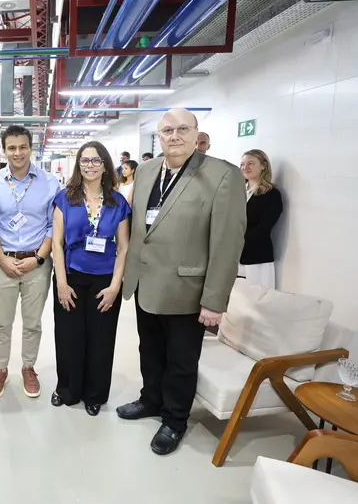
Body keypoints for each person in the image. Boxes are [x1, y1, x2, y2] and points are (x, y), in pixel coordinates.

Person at [116, 108, 246, 456]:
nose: (174, 136)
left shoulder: (223, 175)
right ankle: (151, 399)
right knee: (149, 350)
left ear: (196, 133)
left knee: (181, 361)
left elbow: (227, 243)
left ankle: (174, 420)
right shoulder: (146, 171)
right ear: (159, 136)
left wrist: (214, 300)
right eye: (167, 131)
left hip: (187, 289)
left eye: (183, 129)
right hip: (146, 283)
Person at [50, 142, 130, 417]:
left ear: (105, 165)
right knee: (69, 338)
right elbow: (57, 244)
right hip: (71, 277)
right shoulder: (65, 198)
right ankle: (67, 389)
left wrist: (115, 287)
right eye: (84, 160)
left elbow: (124, 248)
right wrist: (61, 283)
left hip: (104, 280)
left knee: (101, 340)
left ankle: (95, 394)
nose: (90, 165)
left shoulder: (118, 202)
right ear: (78, 165)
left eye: (96, 160)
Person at [0, 125, 59, 400]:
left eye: (23, 147)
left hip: (37, 264)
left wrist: (38, 258)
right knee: (1, 323)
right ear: (4, 150)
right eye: (12, 148)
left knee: (33, 322)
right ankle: (0, 369)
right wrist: (2, 259)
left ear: (31, 148)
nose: (18, 153)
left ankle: (28, 367)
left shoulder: (49, 183)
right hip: (3, 262)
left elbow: (53, 226)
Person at [239, 149, 282, 289]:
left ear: (263, 166)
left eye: (251, 163)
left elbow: (264, 227)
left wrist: (239, 242)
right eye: (242, 164)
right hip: (234, 257)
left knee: (258, 298)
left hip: (256, 257)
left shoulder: (271, 194)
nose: (245, 167)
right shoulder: (237, 191)